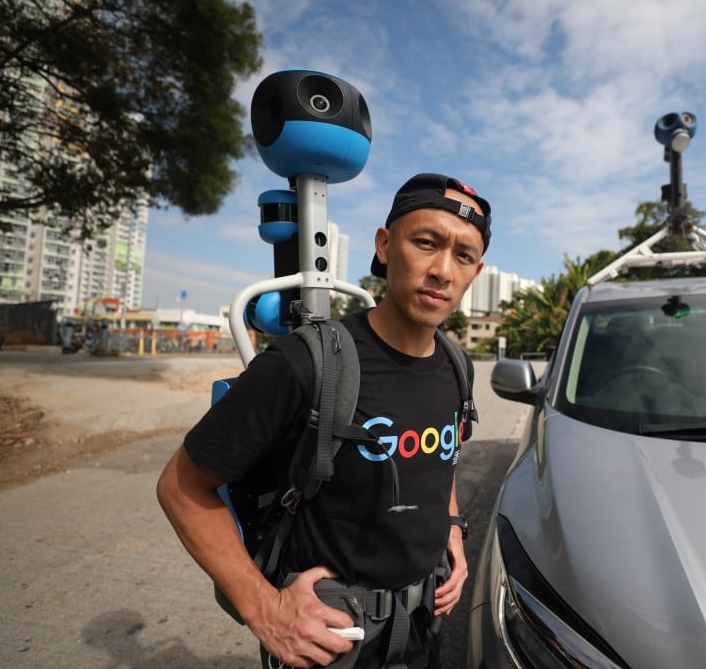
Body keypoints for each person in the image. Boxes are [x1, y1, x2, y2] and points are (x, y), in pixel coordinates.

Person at [156, 173, 491, 668]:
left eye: (463, 255)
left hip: (424, 631)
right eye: (426, 242)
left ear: (475, 271)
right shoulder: (309, 363)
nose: (442, 269)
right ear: (384, 246)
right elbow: (181, 488)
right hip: (331, 643)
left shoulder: (457, 367)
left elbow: (442, 458)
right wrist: (266, 610)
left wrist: (454, 530)